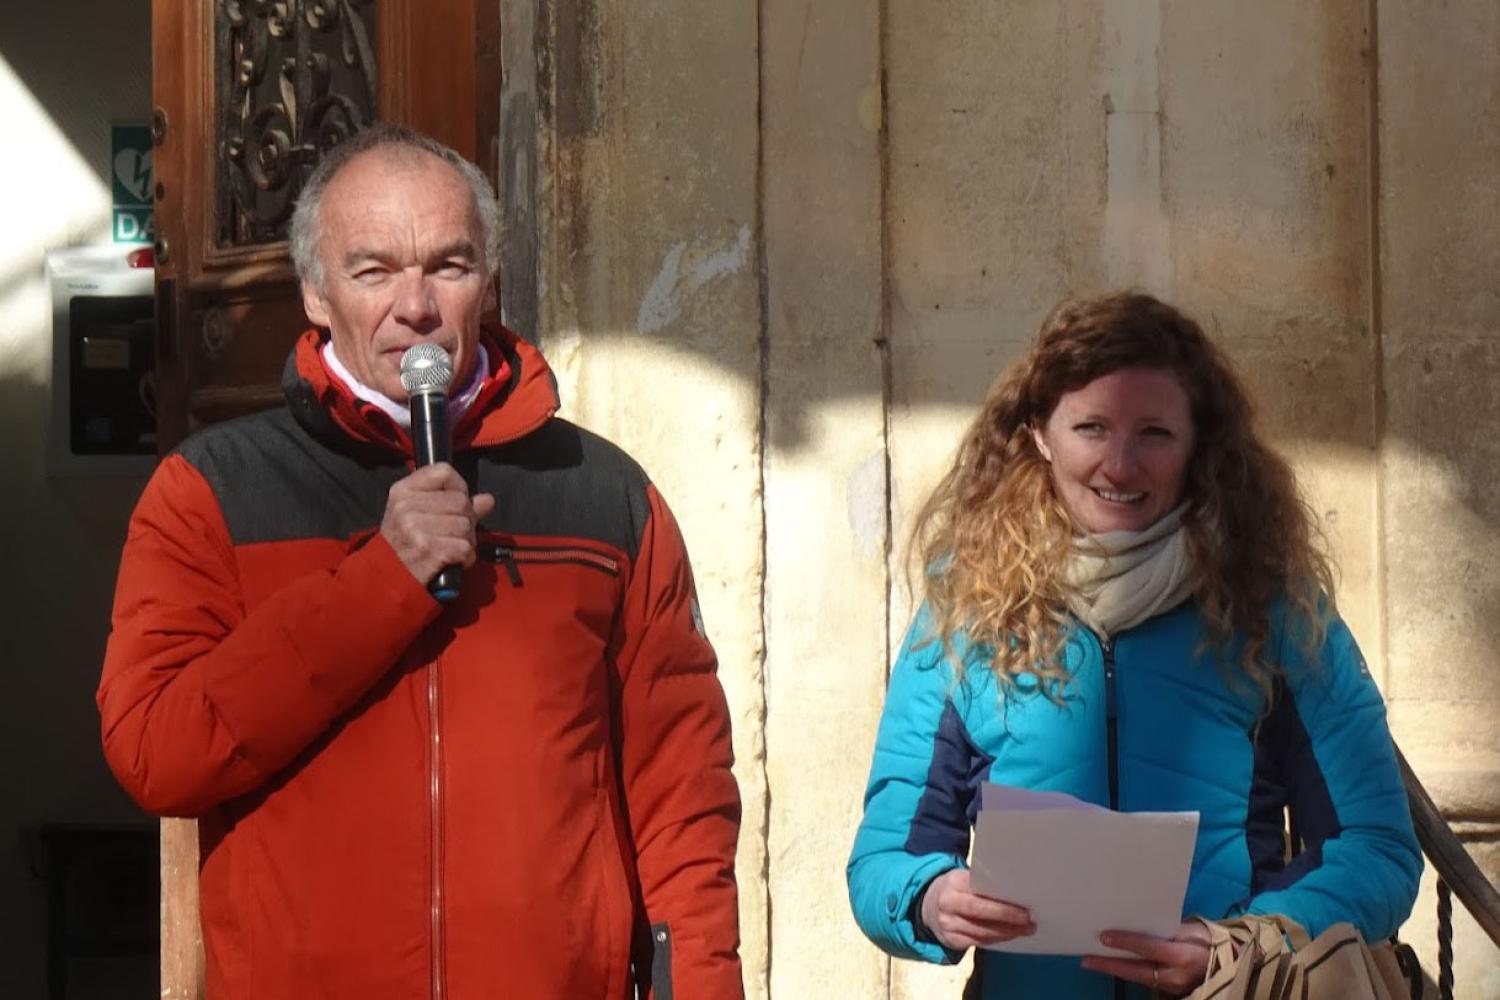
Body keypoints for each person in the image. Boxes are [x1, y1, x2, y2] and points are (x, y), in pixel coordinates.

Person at [97, 124, 743, 999]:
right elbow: (155, 753)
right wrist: (377, 585)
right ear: (317, 295)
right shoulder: (210, 490)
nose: (416, 305)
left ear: (488, 281)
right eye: (374, 271)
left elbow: (682, 792)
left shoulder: (603, 495)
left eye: (448, 265)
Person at [847, 292, 1421, 998]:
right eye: (1091, 427)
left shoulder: (1273, 604)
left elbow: (1378, 848)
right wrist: (932, 898)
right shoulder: (964, 604)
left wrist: (1238, 945)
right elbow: (882, 861)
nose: (1120, 466)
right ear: (1039, 436)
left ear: (1199, 445)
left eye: (1153, 433)